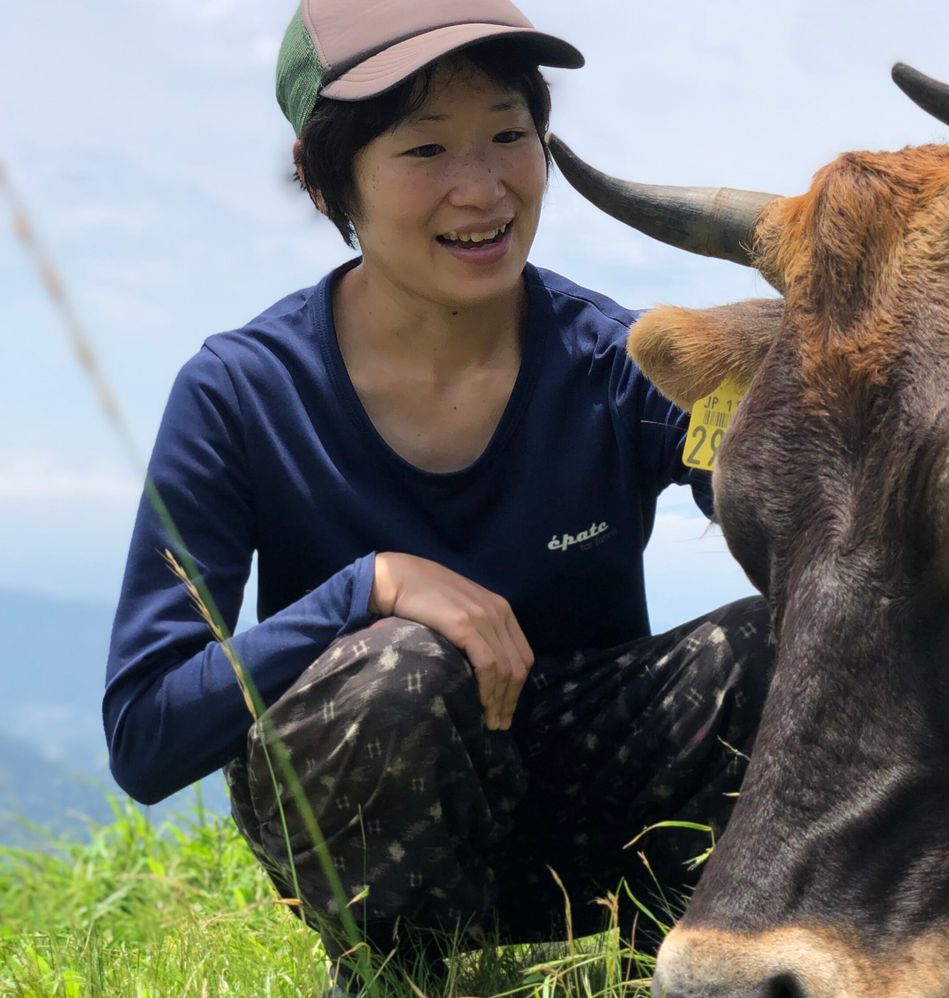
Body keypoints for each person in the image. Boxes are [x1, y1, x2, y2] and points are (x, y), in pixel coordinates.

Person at [102, 0, 773, 987]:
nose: (482, 187)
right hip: (367, 805)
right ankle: (401, 976)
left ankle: (672, 971)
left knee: (785, 640)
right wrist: (364, 588)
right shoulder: (241, 392)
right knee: (394, 669)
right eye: (425, 150)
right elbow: (146, 730)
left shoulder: (615, 362)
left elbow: (801, 514)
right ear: (323, 178)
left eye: (509, 134)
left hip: (600, 808)